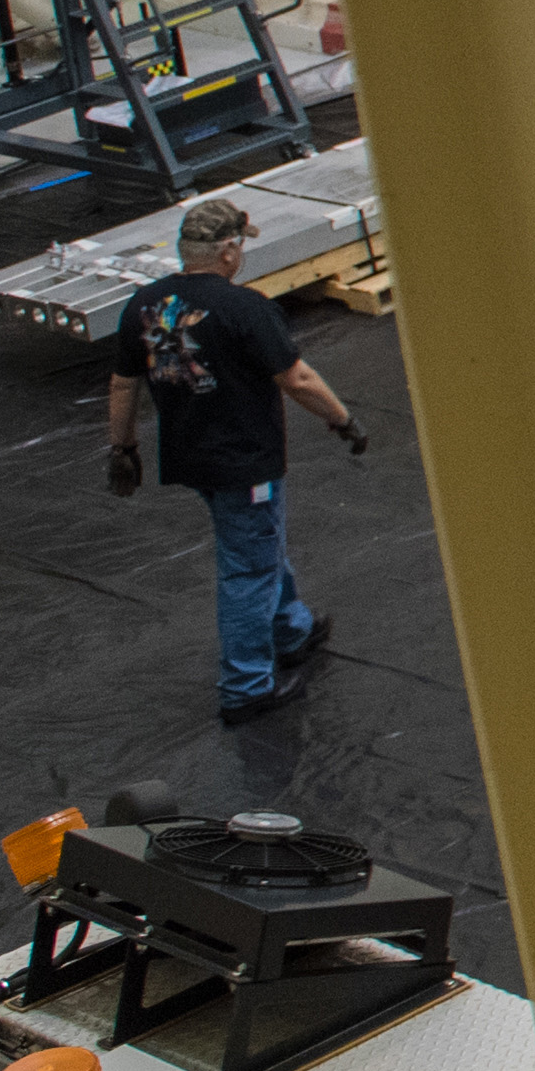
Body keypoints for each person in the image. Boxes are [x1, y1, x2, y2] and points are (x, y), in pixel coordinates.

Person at [108, 197, 370, 721]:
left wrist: (124, 448)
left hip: (189, 454)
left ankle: (290, 628)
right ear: (227, 251)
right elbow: (296, 379)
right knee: (248, 566)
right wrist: (342, 419)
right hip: (244, 460)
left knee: (256, 538)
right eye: (241, 245)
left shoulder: (145, 305)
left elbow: (123, 381)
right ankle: (245, 686)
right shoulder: (246, 308)